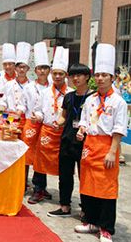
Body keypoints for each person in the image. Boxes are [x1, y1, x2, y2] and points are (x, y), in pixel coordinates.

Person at [75, 44, 128, 242]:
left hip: (107, 147)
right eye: (97, 74)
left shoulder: (118, 102)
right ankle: (91, 221)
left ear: (112, 77)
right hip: (89, 147)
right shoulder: (91, 100)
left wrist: (112, 152)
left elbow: (119, 129)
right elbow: (84, 120)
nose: (100, 78)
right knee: (88, 185)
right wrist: (81, 130)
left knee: (106, 189)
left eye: (104, 75)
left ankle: (106, 228)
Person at [47, 63, 93, 218]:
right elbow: (64, 116)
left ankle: (86, 208)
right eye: (73, 75)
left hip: (84, 143)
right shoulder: (69, 96)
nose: (76, 78)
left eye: (79, 75)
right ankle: (65, 205)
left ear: (87, 77)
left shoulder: (93, 97)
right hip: (67, 140)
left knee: (84, 177)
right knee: (65, 175)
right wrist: (57, 123)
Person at [29, 47, 73, 204]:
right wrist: (37, 117)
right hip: (47, 131)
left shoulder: (71, 93)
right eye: (55, 73)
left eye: (61, 73)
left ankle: (64, 198)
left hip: (63, 133)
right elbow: (41, 111)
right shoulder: (46, 92)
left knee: (64, 165)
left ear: (66, 75)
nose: (58, 76)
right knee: (40, 163)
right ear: (51, 74)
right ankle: (39, 189)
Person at [22, 42, 51, 191]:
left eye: (45, 68)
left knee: (42, 155)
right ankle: (23, 183)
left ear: (49, 70)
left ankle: (40, 187)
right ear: (35, 70)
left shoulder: (53, 88)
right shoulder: (28, 87)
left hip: (46, 126)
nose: (42, 71)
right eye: (40, 68)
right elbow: (23, 105)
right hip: (30, 124)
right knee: (26, 155)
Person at [0, 42, 31, 131]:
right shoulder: (9, 84)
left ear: (28, 69)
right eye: (19, 67)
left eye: (24, 67)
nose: (21, 70)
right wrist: (2, 107)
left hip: (25, 121)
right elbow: (3, 100)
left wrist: (19, 113)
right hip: (9, 119)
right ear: (15, 68)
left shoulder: (31, 86)